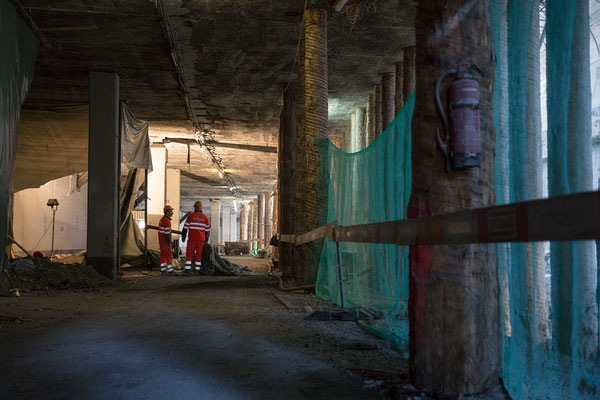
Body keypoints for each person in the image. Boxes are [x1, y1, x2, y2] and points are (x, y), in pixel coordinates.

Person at [181, 201, 210, 276]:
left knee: (189, 254)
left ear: (195, 207)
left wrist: (183, 237)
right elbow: (207, 231)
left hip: (192, 239)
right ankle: (197, 271)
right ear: (201, 208)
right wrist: (206, 240)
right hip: (201, 240)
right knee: (199, 255)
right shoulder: (205, 218)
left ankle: (187, 271)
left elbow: (185, 228)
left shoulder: (191, 216)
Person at [158, 205, 175, 276]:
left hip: (161, 241)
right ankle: (171, 271)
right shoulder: (167, 221)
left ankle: (163, 271)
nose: (172, 213)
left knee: (163, 256)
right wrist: (169, 242)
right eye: (171, 211)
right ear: (167, 212)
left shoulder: (162, 219)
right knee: (169, 255)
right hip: (165, 242)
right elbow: (167, 234)